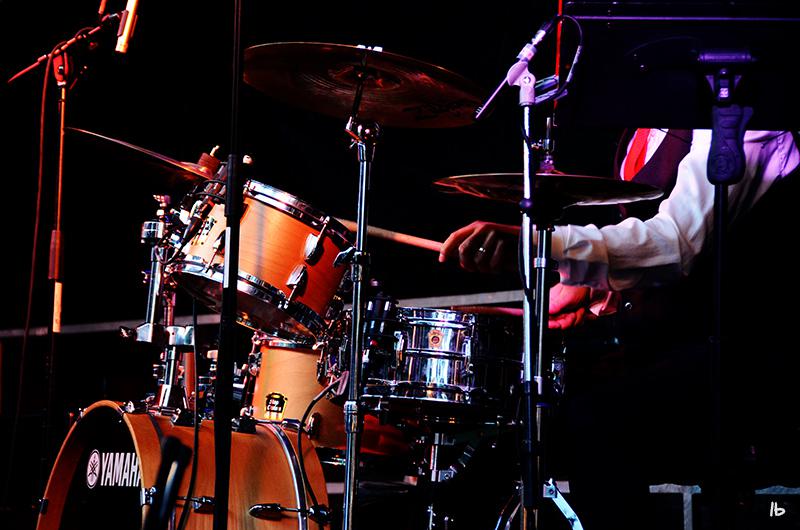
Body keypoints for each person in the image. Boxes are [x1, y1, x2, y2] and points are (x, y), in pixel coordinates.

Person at [438, 129, 800, 530]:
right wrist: (595, 292)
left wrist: (543, 245)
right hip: (663, 351)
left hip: (750, 359)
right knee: (517, 433)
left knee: (595, 421)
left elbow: (677, 242)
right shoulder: (640, 132)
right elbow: (654, 262)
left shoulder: (744, 120)